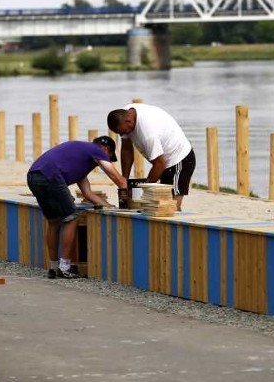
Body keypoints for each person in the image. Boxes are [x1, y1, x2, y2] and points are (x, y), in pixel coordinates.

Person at [26, 136, 126, 279]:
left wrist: (110, 207)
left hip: (34, 176)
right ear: (106, 149)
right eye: (108, 156)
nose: (101, 162)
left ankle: (53, 267)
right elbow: (117, 178)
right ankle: (65, 267)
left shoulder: (80, 160)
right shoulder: (96, 150)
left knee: (54, 221)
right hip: (51, 176)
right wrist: (127, 191)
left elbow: (88, 193)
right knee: (71, 218)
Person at [107, 103, 196, 211]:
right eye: (119, 133)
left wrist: (143, 189)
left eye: (124, 132)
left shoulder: (148, 133)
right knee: (161, 203)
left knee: (171, 206)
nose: (123, 135)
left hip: (180, 159)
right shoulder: (123, 115)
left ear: (129, 121)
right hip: (163, 161)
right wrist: (124, 180)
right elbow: (126, 150)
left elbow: (159, 164)